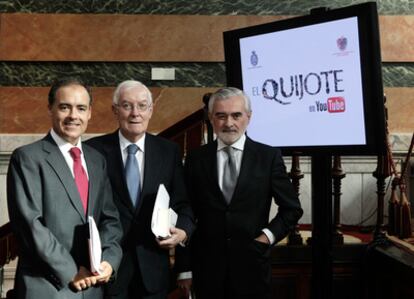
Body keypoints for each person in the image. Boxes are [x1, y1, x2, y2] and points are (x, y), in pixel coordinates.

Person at [6, 78, 123, 299]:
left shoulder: (97, 160)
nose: (73, 116)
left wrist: (110, 261)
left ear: (89, 113)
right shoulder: (27, 158)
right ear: (50, 108)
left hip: (92, 289)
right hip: (47, 287)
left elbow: (111, 220)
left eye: (80, 108)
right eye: (64, 107)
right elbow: (30, 226)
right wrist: (70, 271)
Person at [183, 87, 303, 299]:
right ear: (211, 118)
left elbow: (291, 209)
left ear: (248, 117)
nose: (229, 123)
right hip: (207, 271)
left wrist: (266, 237)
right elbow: (185, 214)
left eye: (236, 115)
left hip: (252, 268)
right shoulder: (195, 159)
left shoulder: (268, 157)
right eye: (221, 116)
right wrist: (184, 269)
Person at [86, 80, 195, 299]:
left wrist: (182, 232)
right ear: (115, 110)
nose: (135, 113)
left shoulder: (168, 151)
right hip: (108, 269)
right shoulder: (93, 151)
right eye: (127, 106)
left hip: (154, 270)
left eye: (142, 106)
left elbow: (183, 203)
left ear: (151, 110)